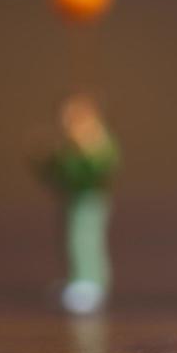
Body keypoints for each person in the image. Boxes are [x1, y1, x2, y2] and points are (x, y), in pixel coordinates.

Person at [36, 94, 120, 314]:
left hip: (90, 199)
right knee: (72, 239)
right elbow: (58, 173)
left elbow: (96, 170)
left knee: (85, 240)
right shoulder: (69, 146)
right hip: (73, 199)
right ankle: (78, 278)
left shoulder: (97, 143)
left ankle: (91, 282)